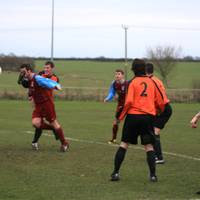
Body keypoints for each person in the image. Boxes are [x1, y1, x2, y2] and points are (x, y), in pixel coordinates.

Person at [110, 59, 165, 182]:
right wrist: (158, 110)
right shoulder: (152, 82)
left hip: (133, 117)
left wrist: (120, 117)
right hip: (147, 118)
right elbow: (160, 100)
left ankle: (115, 173)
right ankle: (153, 175)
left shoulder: (132, 83)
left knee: (124, 144)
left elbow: (128, 102)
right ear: (144, 69)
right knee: (149, 146)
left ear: (134, 69)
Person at [18, 64, 69, 152]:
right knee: (36, 123)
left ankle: (64, 143)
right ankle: (52, 129)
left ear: (29, 71)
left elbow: (47, 82)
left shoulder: (37, 78)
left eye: (24, 72)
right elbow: (29, 88)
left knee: (54, 123)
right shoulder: (27, 79)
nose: (22, 74)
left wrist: (55, 85)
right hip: (38, 105)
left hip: (47, 104)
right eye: (21, 72)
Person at [146, 63, 172, 164]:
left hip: (163, 109)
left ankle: (159, 157)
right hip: (163, 108)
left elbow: (160, 98)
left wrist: (159, 110)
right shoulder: (156, 79)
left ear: (145, 72)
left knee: (154, 132)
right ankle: (156, 155)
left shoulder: (151, 81)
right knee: (153, 131)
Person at [31, 61, 60, 148]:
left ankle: (56, 131)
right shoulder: (40, 74)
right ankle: (35, 142)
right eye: (45, 67)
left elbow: (52, 85)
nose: (45, 69)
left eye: (47, 68)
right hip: (39, 103)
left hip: (48, 103)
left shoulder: (55, 78)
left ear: (52, 68)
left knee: (51, 122)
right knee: (38, 123)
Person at [104, 69, 129, 144]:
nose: (117, 76)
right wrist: (108, 98)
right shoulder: (114, 83)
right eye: (116, 74)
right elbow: (112, 92)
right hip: (120, 105)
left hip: (130, 105)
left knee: (131, 123)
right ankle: (114, 138)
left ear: (122, 75)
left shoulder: (127, 84)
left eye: (119, 74)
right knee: (116, 122)